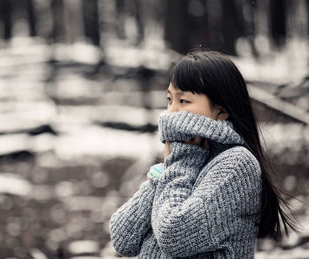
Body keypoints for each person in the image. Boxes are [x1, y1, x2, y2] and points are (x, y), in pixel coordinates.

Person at [108, 50, 298, 258]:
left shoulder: (237, 165)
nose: (170, 113)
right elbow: (122, 238)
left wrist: (181, 163)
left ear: (221, 111)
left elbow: (174, 235)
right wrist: (165, 173)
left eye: (183, 101)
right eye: (169, 100)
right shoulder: (187, 158)